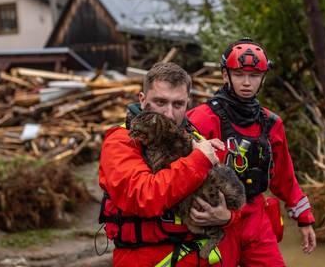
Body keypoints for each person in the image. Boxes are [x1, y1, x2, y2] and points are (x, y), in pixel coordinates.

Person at [187, 38, 317, 266]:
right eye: (239, 75)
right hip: (214, 220)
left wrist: (304, 219)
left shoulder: (271, 123)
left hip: (255, 216)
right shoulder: (201, 118)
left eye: (254, 76)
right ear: (225, 75)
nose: (246, 82)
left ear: (263, 78)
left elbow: (284, 177)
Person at [98, 62, 235, 267]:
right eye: (160, 102)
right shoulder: (122, 141)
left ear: (188, 103)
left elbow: (231, 194)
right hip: (144, 258)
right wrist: (199, 160)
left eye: (178, 104)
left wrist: (226, 217)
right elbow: (143, 196)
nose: (169, 114)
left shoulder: (194, 138)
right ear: (143, 100)